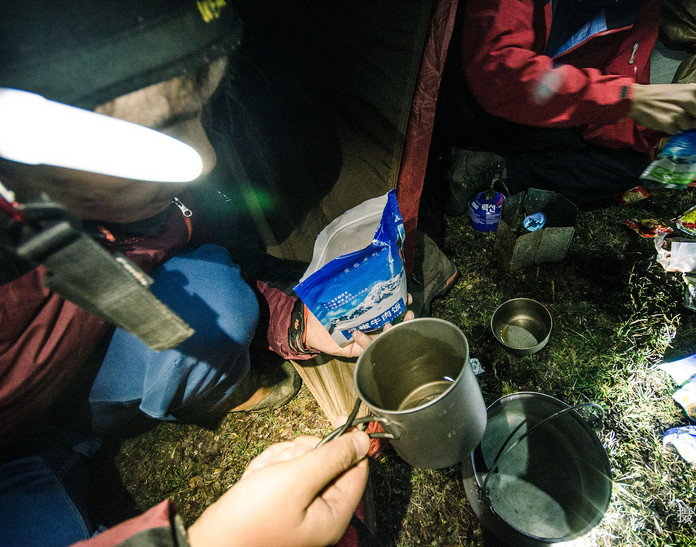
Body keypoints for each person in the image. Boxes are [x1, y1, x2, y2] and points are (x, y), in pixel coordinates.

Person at [0, 2, 404, 544]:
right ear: (28, 149)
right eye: (161, 132)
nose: (206, 156)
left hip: (67, 377)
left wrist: (294, 322)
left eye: (200, 112)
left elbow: (217, 251)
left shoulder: (142, 198)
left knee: (218, 295)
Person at [435, 0, 696, 209]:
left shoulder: (640, 8)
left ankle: (494, 170)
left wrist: (648, 130)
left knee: (629, 164)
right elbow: (499, 74)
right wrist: (624, 98)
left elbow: (618, 85)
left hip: (549, 113)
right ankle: (459, 161)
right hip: (477, 108)